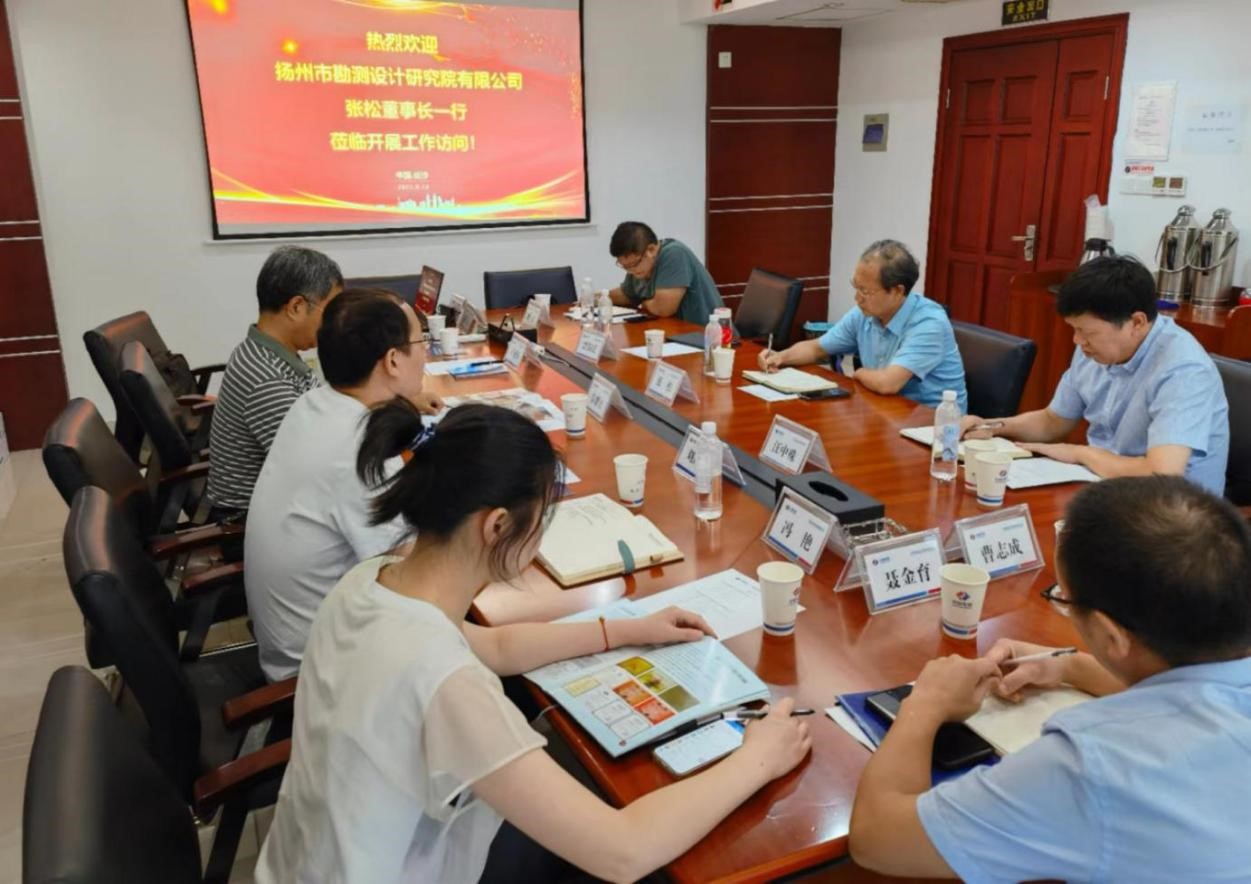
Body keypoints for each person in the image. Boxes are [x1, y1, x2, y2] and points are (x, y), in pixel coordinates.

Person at [255, 401, 812, 883]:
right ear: (497, 526)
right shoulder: (444, 681)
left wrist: (627, 629)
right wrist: (758, 759)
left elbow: (493, 648)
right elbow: (623, 850)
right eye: (543, 515)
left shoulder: (371, 580)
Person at [849, 475, 1251, 881]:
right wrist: (1070, 666)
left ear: (1112, 636)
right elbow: (1193, 697)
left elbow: (877, 838)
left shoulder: (1094, 765)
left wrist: (925, 703)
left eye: (1063, 598)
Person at [244, 289, 443, 681]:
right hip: (323, 675)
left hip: (309, 636)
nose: (426, 354)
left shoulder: (315, 404)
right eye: (421, 342)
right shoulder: (358, 452)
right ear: (392, 360)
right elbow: (418, 574)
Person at [961, 255, 1229, 494]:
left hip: (1175, 513)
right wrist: (990, 426)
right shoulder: (1095, 349)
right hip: (1106, 487)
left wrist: (1080, 454)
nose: (1078, 341)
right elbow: (1053, 420)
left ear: (1136, 322)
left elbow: (1161, 474)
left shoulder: (1183, 370)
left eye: (1087, 332)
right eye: (1074, 329)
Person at [206, 246, 343, 518]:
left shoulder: (266, 350)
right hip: (250, 520)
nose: (334, 323)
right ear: (296, 307)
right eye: (330, 311)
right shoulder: (266, 379)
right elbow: (320, 467)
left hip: (279, 500)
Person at [758, 240, 967, 409]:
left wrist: (858, 374)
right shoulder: (865, 313)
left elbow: (888, 383)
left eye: (865, 291)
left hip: (932, 427)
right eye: (856, 287)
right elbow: (816, 348)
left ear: (897, 291)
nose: (857, 298)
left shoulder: (929, 323)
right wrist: (780, 357)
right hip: (884, 411)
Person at [608, 221, 725, 324]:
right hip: (675, 332)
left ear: (651, 250)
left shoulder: (674, 254)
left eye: (634, 264)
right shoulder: (640, 266)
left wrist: (644, 304)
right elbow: (627, 295)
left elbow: (663, 309)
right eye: (625, 266)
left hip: (706, 334)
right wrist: (600, 297)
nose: (630, 271)